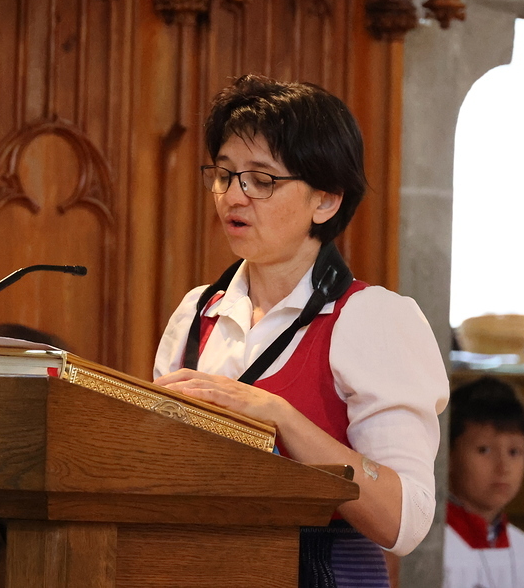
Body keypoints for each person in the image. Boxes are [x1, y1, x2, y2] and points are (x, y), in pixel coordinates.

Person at [152, 75, 449, 587]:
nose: (233, 196)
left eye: (261, 180)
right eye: (224, 174)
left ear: (326, 201)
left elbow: (405, 522)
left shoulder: (372, 319)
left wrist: (280, 417)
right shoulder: (196, 311)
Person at [444, 376, 524, 588]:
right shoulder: (430, 554)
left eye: (514, 452)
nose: (503, 467)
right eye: (484, 450)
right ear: (448, 456)